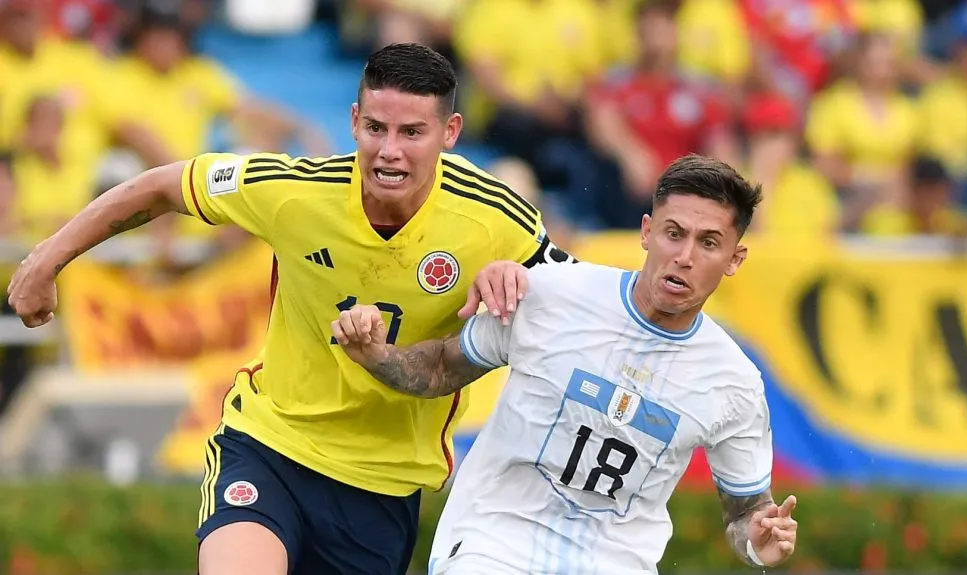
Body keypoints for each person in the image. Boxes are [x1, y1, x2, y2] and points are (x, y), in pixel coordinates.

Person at [7, 43, 573, 574]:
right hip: (270, 447)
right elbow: (162, 186)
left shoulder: (495, 218)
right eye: (375, 128)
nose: (389, 149)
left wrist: (523, 278)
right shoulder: (297, 191)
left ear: (450, 132)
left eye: (412, 132)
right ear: (354, 121)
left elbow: (582, 304)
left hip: (382, 483)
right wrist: (45, 260)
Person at [333, 154, 800, 574]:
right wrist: (380, 356)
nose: (683, 256)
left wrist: (759, 544)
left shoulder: (735, 383)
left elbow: (745, 513)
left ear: (735, 258)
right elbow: (439, 367)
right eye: (673, 233)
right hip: (493, 544)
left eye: (709, 243)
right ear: (646, 231)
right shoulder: (553, 292)